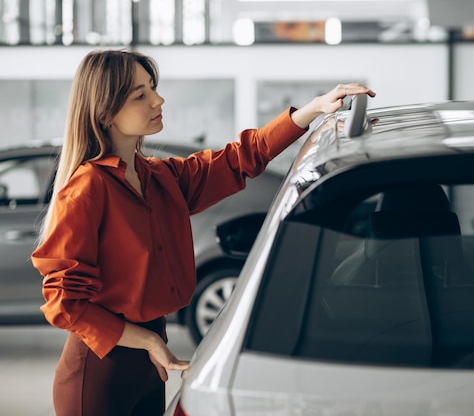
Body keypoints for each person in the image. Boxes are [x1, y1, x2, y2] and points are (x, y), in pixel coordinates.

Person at [29, 48, 374, 416]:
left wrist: (314, 108)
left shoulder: (160, 177)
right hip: (99, 372)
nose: (158, 99)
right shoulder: (86, 189)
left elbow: (241, 157)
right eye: (140, 95)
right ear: (104, 112)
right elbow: (64, 303)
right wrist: (146, 340)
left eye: (153, 87)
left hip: (150, 359)